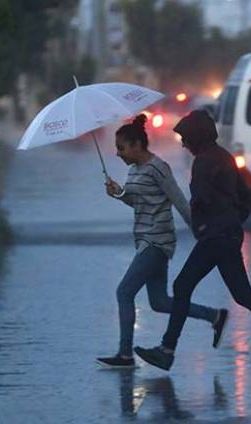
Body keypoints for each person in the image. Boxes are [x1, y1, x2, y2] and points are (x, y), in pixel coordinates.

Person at [134, 110, 251, 375]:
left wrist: (202, 222)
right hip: (228, 234)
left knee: (183, 286)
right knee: (243, 295)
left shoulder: (204, 162)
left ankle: (167, 351)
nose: (183, 144)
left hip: (215, 236)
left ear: (197, 137)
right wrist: (233, 221)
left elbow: (201, 199)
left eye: (186, 138)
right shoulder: (224, 156)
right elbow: (245, 198)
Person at [96, 114, 228, 368]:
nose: (118, 154)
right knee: (160, 302)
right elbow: (137, 200)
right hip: (145, 240)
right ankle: (215, 316)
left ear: (137, 145)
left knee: (124, 292)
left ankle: (125, 354)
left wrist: (201, 230)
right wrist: (119, 193)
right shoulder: (135, 170)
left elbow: (178, 200)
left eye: (121, 148)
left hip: (157, 241)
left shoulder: (158, 167)